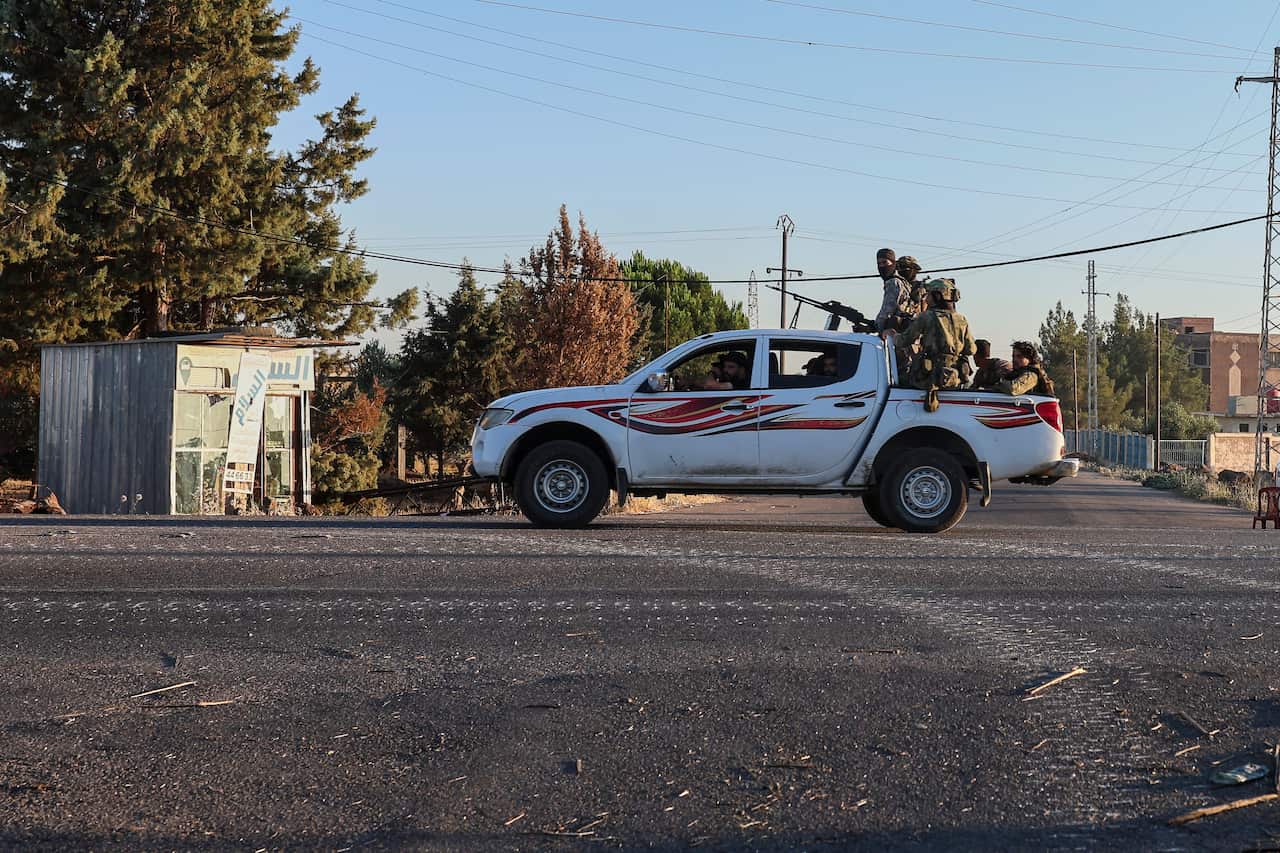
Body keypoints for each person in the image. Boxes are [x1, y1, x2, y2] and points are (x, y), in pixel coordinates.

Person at [899, 279, 976, 412]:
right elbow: (971, 349)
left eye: (928, 294)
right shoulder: (961, 319)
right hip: (954, 379)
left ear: (938, 296)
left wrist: (891, 336)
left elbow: (904, 340)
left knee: (900, 380)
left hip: (928, 378)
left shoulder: (926, 317)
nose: (926, 298)